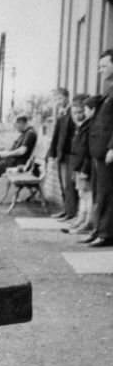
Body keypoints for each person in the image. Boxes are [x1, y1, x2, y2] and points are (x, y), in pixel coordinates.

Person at [84, 50, 113, 247]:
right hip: (98, 152)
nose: (100, 70)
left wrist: (112, 147)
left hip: (107, 152)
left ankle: (105, 233)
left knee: (107, 194)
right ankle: (97, 230)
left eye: (104, 66)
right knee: (98, 193)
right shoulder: (108, 89)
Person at [61, 95, 94, 234]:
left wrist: (84, 168)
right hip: (77, 166)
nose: (78, 116)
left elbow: (88, 151)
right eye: (75, 113)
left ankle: (87, 221)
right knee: (81, 193)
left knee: (87, 194)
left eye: (81, 112)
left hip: (85, 167)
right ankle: (80, 219)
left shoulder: (88, 127)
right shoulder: (79, 128)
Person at [46, 87, 76, 219]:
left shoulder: (72, 113)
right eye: (55, 99)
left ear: (65, 97)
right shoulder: (61, 113)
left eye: (58, 98)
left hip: (69, 153)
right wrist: (51, 153)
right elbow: (56, 135)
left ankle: (71, 212)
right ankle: (66, 209)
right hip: (60, 154)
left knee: (69, 184)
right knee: (63, 184)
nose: (56, 102)